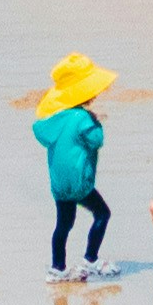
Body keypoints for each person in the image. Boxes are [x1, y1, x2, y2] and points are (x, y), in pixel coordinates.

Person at [33, 51, 118, 280]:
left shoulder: (54, 119)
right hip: (80, 183)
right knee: (102, 213)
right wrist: (96, 122)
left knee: (64, 225)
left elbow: (39, 131)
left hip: (59, 185)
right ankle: (91, 259)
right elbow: (96, 140)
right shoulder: (83, 118)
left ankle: (57, 268)